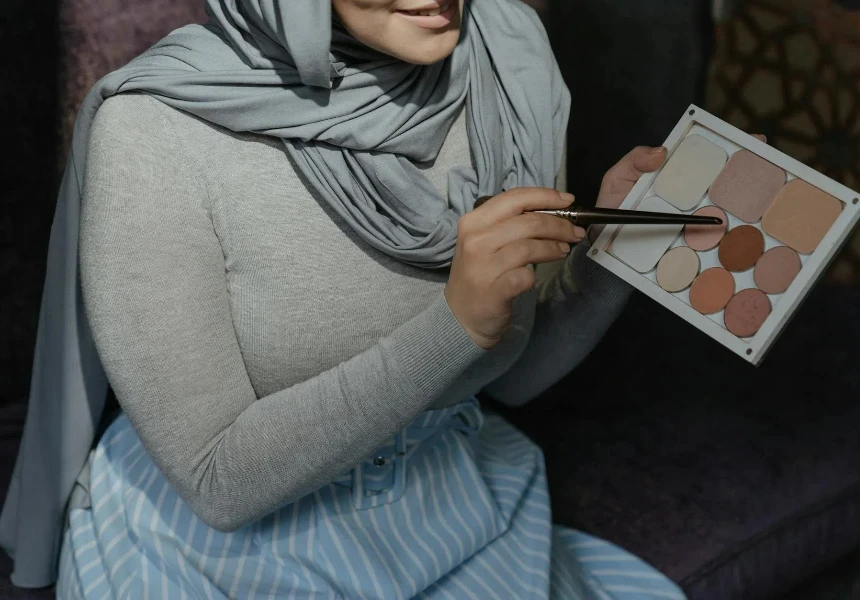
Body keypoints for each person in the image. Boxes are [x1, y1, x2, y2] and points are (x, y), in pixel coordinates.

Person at [2, 1, 690, 598]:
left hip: (453, 516)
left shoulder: (507, 58)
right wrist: (454, 326)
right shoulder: (155, 131)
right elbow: (218, 483)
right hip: (213, 559)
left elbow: (509, 380)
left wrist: (613, 256)